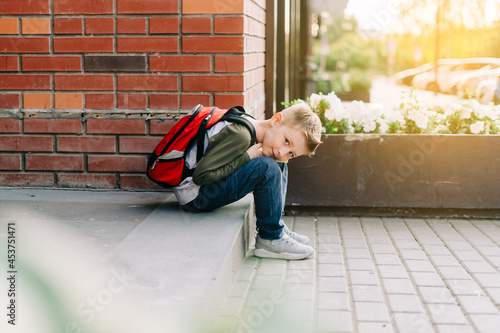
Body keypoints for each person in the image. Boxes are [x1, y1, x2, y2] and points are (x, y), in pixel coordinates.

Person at [175, 103, 322, 260]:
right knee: (268, 167)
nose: (283, 152)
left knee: (279, 162)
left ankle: (275, 223)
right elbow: (201, 176)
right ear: (276, 120)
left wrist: (251, 157)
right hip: (194, 196)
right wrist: (247, 157)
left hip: (204, 188)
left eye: (291, 153)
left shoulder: (254, 128)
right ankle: (270, 238)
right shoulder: (241, 135)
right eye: (287, 141)